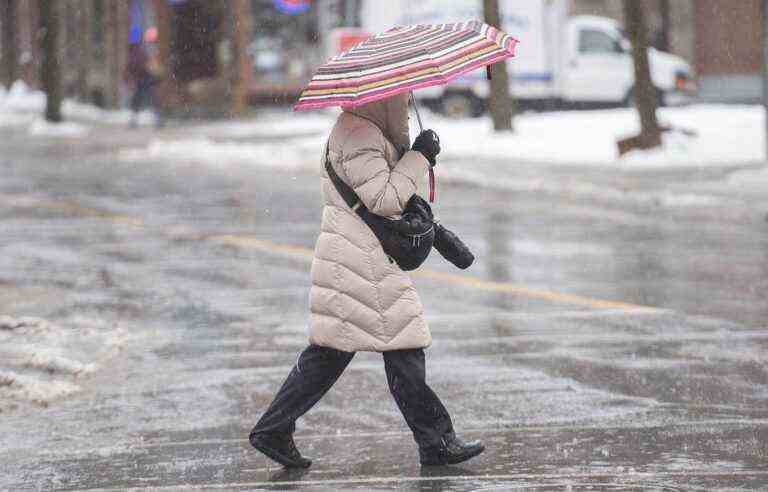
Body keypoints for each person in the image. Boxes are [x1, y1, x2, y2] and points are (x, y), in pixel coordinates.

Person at [249, 92, 485, 468]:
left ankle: (273, 429)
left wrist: (412, 156)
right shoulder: (358, 134)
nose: (407, 102)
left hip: (359, 254)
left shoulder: (366, 130)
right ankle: (435, 440)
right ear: (384, 97)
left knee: (332, 351)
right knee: (402, 344)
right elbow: (385, 198)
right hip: (360, 258)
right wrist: (419, 156)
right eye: (402, 96)